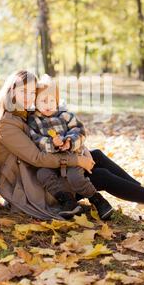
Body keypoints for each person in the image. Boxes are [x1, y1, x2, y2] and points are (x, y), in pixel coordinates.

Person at [0, 70, 144, 221]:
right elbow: (38, 159)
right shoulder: (5, 124)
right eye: (23, 92)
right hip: (32, 189)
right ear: (10, 90)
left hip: (36, 176)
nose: (28, 97)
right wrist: (77, 160)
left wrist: (75, 147)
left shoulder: (21, 114)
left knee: (96, 155)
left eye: (32, 93)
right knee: (99, 175)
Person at [27, 74, 113, 220]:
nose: (48, 105)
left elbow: (79, 131)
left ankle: (97, 200)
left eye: (52, 100)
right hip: (50, 160)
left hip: (72, 157)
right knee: (42, 174)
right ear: (35, 102)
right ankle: (68, 202)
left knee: (75, 177)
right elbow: (36, 139)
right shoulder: (34, 121)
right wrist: (51, 144)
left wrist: (69, 141)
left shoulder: (65, 116)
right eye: (43, 101)